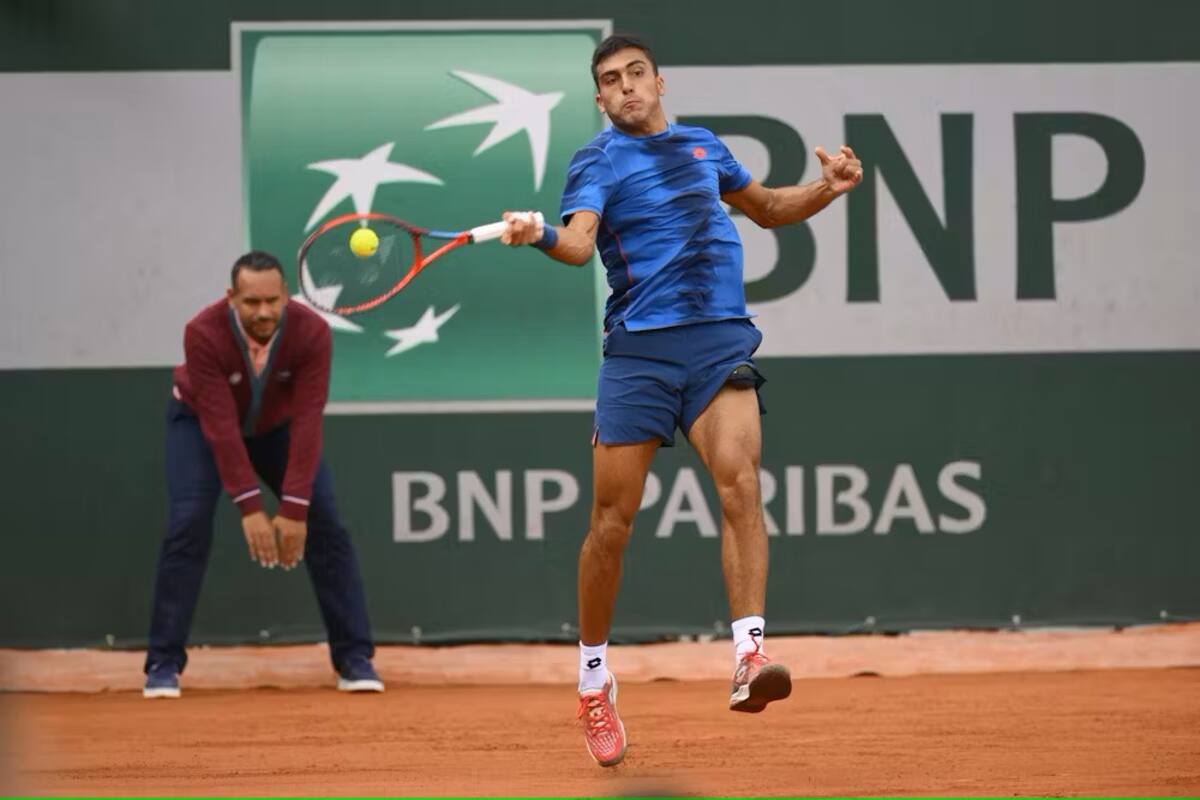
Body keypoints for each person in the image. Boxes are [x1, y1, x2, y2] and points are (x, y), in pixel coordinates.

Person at [501, 35, 863, 766]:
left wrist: (827, 187)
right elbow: (578, 246)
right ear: (600, 99)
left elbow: (769, 207)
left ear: (659, 81)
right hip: (640, 353)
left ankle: (749, 656)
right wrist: (539, 232)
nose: (627, 87)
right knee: (610, 525)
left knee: (741, 483)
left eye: (637, 73)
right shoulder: (597, 161)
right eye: (612, 80)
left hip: (718, 345)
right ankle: (594, 680)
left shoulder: (705, 147)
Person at [142, 250, 382, 698]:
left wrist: (294, 508)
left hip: (278, 428)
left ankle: (354, 658)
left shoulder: (312, 332)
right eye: (252, 302)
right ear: (231, 298)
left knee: (326, 524)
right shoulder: (202, 332)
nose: (264, 312)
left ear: (286, 295)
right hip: (198, 424)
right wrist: (250, 507)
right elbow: (220, 427)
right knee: (187, 523)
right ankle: (163, 662)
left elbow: (308, 419)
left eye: (272, 300)